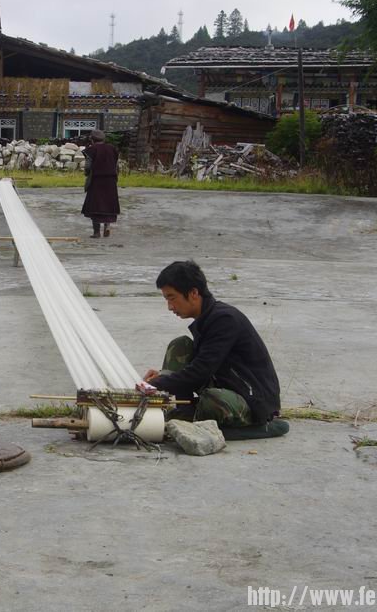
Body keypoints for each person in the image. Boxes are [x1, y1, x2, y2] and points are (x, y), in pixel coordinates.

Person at [137, 261, 289, 439]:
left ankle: (260, 427)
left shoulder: (225, 319)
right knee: (180, 346)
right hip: (228, 385)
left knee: (212, 399)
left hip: (254, 402)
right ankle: (186, 413)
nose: (170, 307)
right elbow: (200, 365)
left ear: (193, 293)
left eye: (172, 298)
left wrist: (158, 383)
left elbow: (201, 371)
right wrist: (165, 375)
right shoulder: (207, 318)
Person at [81, 129, 120, 238]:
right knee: (108, 204)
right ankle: (107, 226)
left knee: (95, 206)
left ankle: (96, 232)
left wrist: (87, 173)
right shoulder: (112, 149)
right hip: (111, 181)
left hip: (97, 180)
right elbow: (116, 165)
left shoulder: (91, 150)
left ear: (92, 139)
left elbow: (88, 166)